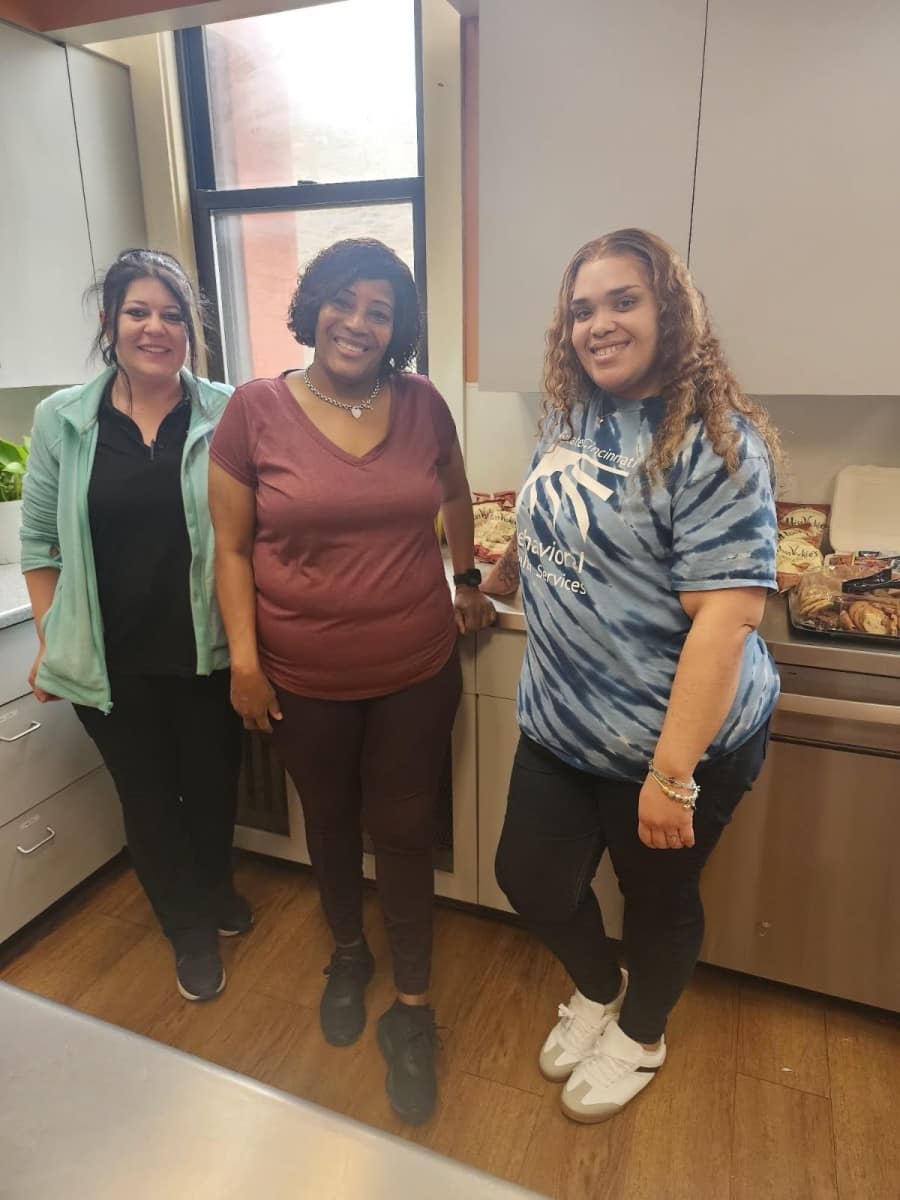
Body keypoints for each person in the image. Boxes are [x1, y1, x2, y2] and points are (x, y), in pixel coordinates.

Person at [493, 228, 781, 1123]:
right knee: (529, 877)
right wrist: (501, 572)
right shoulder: (571, 412)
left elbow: (728, 620)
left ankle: (641, 1034)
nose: (599, 324)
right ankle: (598, 986)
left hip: (672, 739)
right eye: (583, 309)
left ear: (671, 312)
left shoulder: (713, 444)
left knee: (657, 902)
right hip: (562, 722)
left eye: (625, 301)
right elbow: (554, 513)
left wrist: (672, 774)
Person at [208, 237, 495, 1124]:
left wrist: (467, 578)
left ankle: (412, 1008)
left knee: (403, 831)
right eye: (343, 300)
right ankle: (346, 953)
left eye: (380, 311)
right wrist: (245, 662)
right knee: (329, 823)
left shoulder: (422, 403)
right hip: (302, 674)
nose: (358, 323)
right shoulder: (254, 411)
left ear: (396, 329)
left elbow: (455, 493)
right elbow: (229, 549)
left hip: (415, 668)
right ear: (314, 307)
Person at [20, 249, 247, 1004]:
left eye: (172, 315)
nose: (156, 328)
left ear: (190, 331)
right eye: (138, 312)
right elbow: (40, 544)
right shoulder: (63, 419)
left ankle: (212, 889)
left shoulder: (228, 412)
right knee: (149, 801)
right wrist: (53, 638)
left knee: (212, 792)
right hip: (111, 661)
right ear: (109, 322)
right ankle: (188, 928)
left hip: (208, 651)